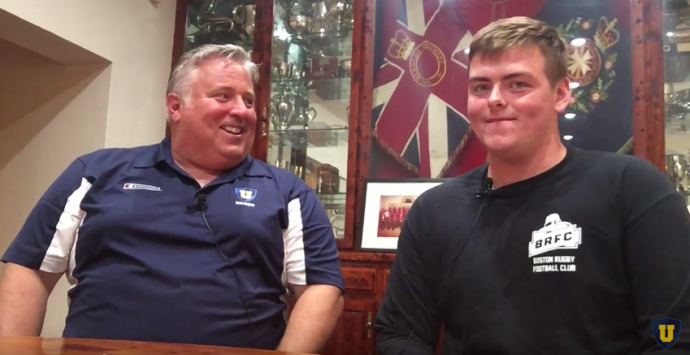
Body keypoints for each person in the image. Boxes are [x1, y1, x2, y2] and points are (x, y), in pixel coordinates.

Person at [374, 16, 690, 354]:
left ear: (561, 93)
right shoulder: (433, 210)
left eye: (517, 84)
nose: (494, 99)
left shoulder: (632, 188)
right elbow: (398, 333)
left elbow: (671, 333)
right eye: (481, 87)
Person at [0, 43, 344, 353]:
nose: (243, 111)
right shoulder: (95, 172)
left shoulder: (289, 192)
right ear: (176, 107)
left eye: (249, 100)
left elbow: (320, 290)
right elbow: (30, 268)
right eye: (224, 96)